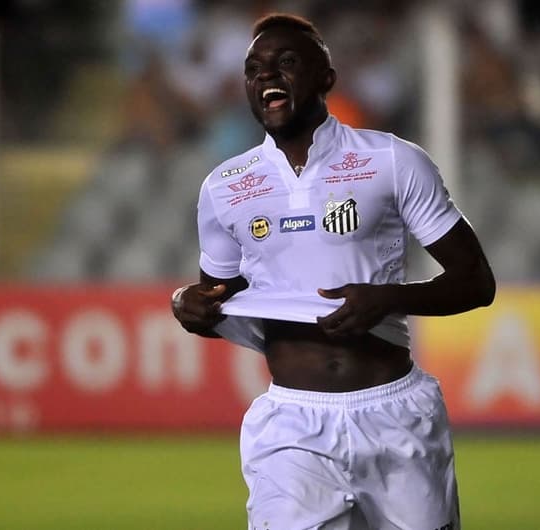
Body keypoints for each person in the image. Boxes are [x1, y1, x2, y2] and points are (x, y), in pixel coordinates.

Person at [171, 13, 495, 530]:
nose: (266, 77)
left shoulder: (394, 160)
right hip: (292, 424)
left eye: (286, 63)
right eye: (254, 69)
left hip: (397, 413)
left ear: (326, 77)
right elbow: (216, 297)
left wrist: (387, 298)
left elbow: (476, 282)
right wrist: (185, 305)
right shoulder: (224, 187)